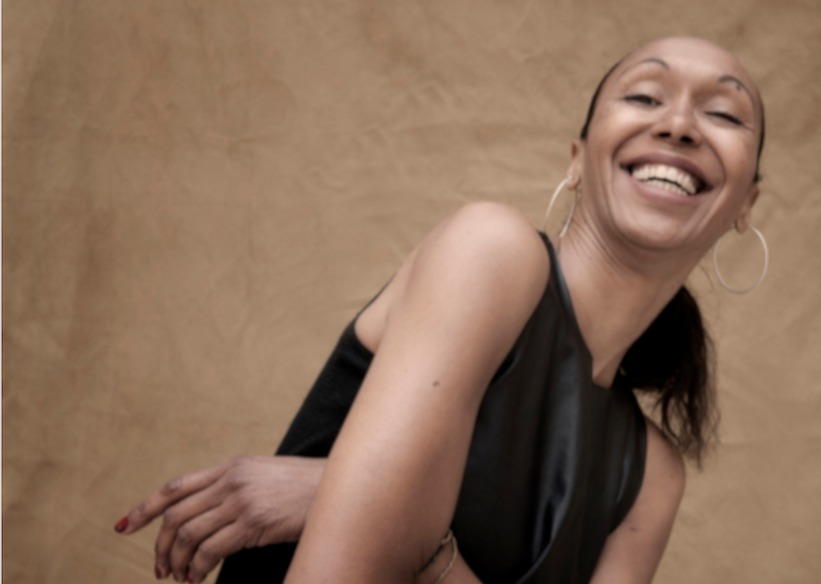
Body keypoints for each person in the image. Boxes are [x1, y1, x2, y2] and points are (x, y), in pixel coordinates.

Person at [115, 36, 766, 584]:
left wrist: (357, 503)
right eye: (644, 97)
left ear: (746, 205)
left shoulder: (651, 479)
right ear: (575, 162)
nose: (678, 125)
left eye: (723, 114)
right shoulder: (492, 253)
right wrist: (391, 510)